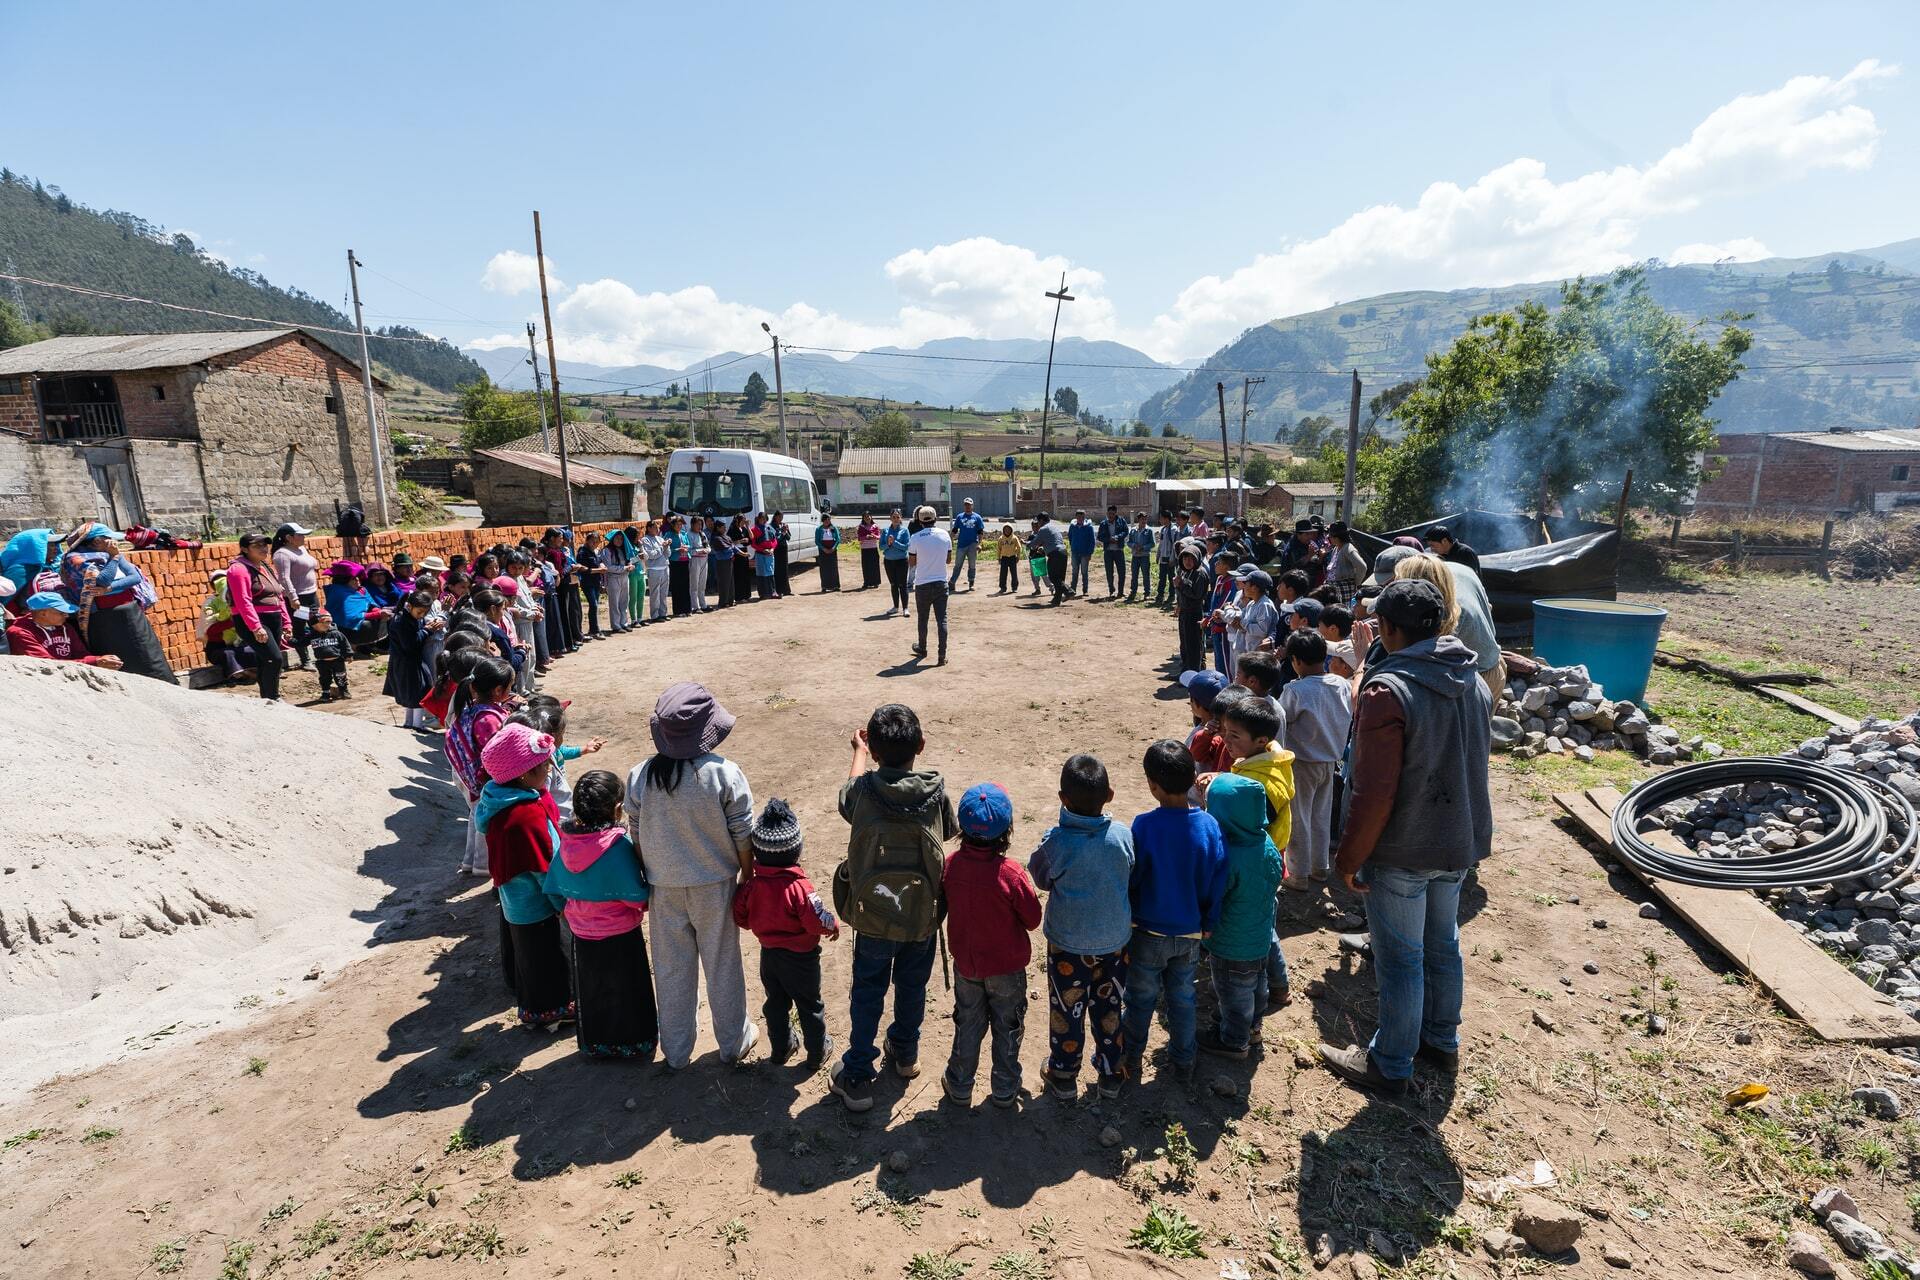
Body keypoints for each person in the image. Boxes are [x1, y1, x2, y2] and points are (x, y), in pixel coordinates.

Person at [1317, 578, 1492, 1096]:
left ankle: (1390, 1062)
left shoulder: (1386, 692)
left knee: (1401, 958)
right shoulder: (1474, 679)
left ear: (1387, 630)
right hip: (1457, 840)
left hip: (1403, 848)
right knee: (1443, 943)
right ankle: (1441, 1039)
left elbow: (1373, 792)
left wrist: (1349, 858)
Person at [828, 702, 958, 1112]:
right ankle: (905, 1055)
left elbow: (847, 795)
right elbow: (950, 833)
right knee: (913, 986)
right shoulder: (936, 793)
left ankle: (857, 1074)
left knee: (867, 991)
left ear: (877, 753)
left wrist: (859, 753)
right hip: (920, 917)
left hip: (872, 916)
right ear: (921, 745)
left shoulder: (863, 792)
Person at [626, 683, 758, 1070]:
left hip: (661, 887)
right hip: (714, 886)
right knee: (723, 964)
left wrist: (647, 876)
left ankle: (677, 1051)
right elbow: (743, 835)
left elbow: (636, 834)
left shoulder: (640, 775)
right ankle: (733, 1042)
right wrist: (746, 879)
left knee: (670, 968)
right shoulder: (724, 774)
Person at [1122, 740, 1228, 1085]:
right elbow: (1218, 878)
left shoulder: (1144, 826)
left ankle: (1131, 1060)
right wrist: (1209, 921)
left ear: (1152, 785)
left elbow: (1134, 877)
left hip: (1148, 933)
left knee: (1139, 999)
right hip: (1190, 934)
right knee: (1182, 1000)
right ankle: (1184, 1061)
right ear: (1193, 776)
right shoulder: (1210, 826)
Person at [1029, 753, 1133, 1101]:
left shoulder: (1057, 842)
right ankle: (1110, 1073)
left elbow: (1041, 878)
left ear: (1063, 800)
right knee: (1109, 1008)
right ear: (1111, 795)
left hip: (1068, 947)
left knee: (1066, 1009)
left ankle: (1063, 1074)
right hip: (1114, 944)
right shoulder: (1122, 836)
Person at [940, 782, 1041, 1109]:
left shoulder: (951, 865)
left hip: (967, 966)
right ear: (1006, 830)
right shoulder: (1010, 874)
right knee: (1008, 1026)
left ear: (961, 828)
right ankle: (1004, 1088)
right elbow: (1033, 919)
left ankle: (959, 1085)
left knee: (967, 1022)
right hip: (1007, 970)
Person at [546, 768, 657, 1059]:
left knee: (592, 990)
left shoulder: (566, 842)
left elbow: (555, 888)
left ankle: (597, 1045)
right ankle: (635, 1045)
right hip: (621, 935)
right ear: (618, 808)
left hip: (581, 934)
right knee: (628, 989)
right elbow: (639, 895)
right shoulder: (618, 847)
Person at [477, 722, 575, 1030]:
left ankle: (534, 1008)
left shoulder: (495, 801)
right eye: (544, 766)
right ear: (523, 774)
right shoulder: (527, 816)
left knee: (528, 958)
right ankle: (551, 1013)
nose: (548, 771)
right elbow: (544, 867)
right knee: (547, 960)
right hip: (537, 904)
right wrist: (562, 904)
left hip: (512, 900)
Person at [733, 797, 840, 1070]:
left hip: (769, 956)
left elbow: (740, 917)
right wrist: (832, 925)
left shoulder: (752, 887)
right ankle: (817, 1052)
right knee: (809, 1005)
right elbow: (816, 920)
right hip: (802, 960)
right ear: (797, 850)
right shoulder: (799, 887)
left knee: (776, 1004)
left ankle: (781, 1049)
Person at [1198, 773, 1286, 1059]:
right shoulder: (1269, 846)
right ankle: (1253, 1027)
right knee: (1256, 988)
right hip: (1260, 939)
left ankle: (1234, 1040)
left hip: (1230, 945)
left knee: (1232, 993)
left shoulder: (1227, 856)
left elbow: (1214, 896)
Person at [1280, 629, 1354, 888]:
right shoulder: (1342, 685)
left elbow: (1282, 720)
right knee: (1320, 816)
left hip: (1302, 762)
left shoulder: (1296, 690)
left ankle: (1299, 873)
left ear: (1296, 661)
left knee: (1299, 816)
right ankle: (1319, 867)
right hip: (1330, 762)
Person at [60, 524, 175, 682]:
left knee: (146, 652)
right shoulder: (76, 558)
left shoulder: (109, 553)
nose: (113, 542)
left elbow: (134, 577)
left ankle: (164, 683)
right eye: (108, 538)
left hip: (130, 612)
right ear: (95, 542)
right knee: (120, 655)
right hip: (104, 617)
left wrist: (110, 588)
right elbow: (101, 580)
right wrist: (113, 558)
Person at [448, 656, 516, 876]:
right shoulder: (489, 719)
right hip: (484, 779)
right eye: (510, 687)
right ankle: (483, 866)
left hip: (467, 776)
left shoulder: (473, 708)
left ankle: (470, 861)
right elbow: (496, 753)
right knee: (486, 820)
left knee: (475, 815)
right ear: (498, 690)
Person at [226, 533, 294, 702]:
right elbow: (243, 600)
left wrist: (286, 622)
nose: (264, 549)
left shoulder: (264, 566)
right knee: (274, 658)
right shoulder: (238, 569)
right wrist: (255, 626)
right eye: (257, 546)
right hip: (254, 620)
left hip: (273, 618)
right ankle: (273, 697)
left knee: (266, 659)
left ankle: (267, 699)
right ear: (244, 549)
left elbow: (279, 595)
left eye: (265, 545)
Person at [5, 591, 122, 667]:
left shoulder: (65, 627)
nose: (66, 615)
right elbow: (46, 665)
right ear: (43, 613)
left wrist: (100, 660)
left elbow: (81, 654)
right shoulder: (19, 633)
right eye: (61, 612)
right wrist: (95, 662)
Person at [384, 588, 443, 728]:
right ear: (409, 606)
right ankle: (417, 725)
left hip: (411, 662)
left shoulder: (410, 618)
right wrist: (427, 630)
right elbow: (411, 644)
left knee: (413, 692)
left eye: (425, 613)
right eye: (419, 612)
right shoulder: (401, 621)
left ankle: (410, 723)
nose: (421, 616)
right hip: (406, 663)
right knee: (418, 693)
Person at [271, 522, 320, 669]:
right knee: (300, 626)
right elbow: (284, 578)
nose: (304, 537)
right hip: (298, 598)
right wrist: (293, 597)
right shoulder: (282, 554)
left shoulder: (302, 549)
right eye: (300, 535)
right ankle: (305, 660)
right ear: (289, 537)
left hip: (311, 594)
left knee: (317, 623)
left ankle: (321, 653)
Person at [907, 504, 951, 665]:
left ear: (919, 521)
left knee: (923, 619)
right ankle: (942, 655)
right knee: (942, 620)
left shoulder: (915, 538)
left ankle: (923, 647)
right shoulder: (944, 535)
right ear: (935, 519)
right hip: (940, 582)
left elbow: (912, 563)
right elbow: (948, 560)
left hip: (923, 583)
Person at [1180, 669, 1236, 777]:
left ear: (1197, 704)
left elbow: (1195, 757)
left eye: (1190, 698)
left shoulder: (1212, 736)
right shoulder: (1231, 734)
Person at [1224, 566, 1280, 670]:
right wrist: (1239, 621)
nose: (1244, 587)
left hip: (1260, 655)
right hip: (1250, 652)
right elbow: (1241, 618)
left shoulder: (1265, 605)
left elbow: (1262, 630)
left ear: (1255, 588)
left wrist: (1242, 623)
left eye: (1246, 584)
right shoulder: (1252, 603)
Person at [1173, 541, 1209, 673]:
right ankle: (1185, 672)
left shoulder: (1200, 573)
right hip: (1184, 612)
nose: (1187, 561)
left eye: (1191, 558)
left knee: (1193, 645)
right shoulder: (1185, 572)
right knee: (1185, 645)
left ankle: (1193, 674)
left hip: (1194, 614)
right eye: (1185, 558)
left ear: (1197, 558)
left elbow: (1196, 595)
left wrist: (1180, 585)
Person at [1027, 513, 1068, 606]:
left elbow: (1035, 543)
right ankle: (1057, 599)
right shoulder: (1054, 527)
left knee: (1053, 577)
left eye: (1038, 521)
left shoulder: (1043, 529)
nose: (1038, 524)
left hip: (1055, 554)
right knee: (1060, 578)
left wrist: (1027, 543)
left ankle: (1068, 591)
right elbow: (1051, 541)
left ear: (1041, 520)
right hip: (1063, 552)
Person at [309, 610, 349, 701]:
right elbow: (301, 642)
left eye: (329, 622)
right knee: (324, 678)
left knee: (341, 676)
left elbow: (345, 644)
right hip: (322, 662)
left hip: (337, 660)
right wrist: (291, 641)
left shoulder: (336, 633)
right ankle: (325, 693)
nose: (329, 625)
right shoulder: (312, 635)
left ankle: (344, 691)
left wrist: (349, 654)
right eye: (326, 623)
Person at [601, 527, 634, 633]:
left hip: (624, 577)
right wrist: (624, 568)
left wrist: (630, 566)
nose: (619, 541)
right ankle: (616, 625)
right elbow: (608, 567)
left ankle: (624, 623)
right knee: (614, 603)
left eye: (621, 539)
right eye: (617, 538)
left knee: (624, 601)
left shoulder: (623, 550)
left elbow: (628, 561)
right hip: (613, 578)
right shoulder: (607, 550)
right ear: (612, 539)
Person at [949, 498, 986, 592]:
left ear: (972, 506)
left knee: (972, 565)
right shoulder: (960, 517)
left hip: (973, 544)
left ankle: (971, 583)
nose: (967, 506)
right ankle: (952, 582)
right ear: (964, 506)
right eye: (966, 505)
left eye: (969, 504)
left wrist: (980, 544)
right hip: (961, 544)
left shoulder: (977, 517)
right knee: (958, 565)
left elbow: (980, 532)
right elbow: (955, 530)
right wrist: (950, 540)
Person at [880, 509, 912, 617]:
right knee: (893, 585)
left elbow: (906, 547)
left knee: (902, 585)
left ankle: (905, 608)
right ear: (890, 518)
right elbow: (881, 547)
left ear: (901, 518)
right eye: (893, 517)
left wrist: (894, 542)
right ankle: (895, 607)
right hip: (889, 561)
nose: (895, 519)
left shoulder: (904, 531)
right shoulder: (885, 531)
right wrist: (888, 544)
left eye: (897, 517)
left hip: (901, 561)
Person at [1279, 519, 1326, 586]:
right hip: (1294, 585)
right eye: (1307, 534)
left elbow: (1315, 564)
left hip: (1309, 584)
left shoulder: (1309, 544)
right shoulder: (1292, 547)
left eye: (1310, 533)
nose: (1310, 536)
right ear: (1298, 534)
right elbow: (1295, 567)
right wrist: (1309, 555)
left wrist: (1321, 556)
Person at [1327, 524, 1367, 602]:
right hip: (1334, 589)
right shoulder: (1336, 548)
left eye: (1330, 537)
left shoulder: (1348, 548)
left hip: (1344, 591)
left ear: (1337, 538)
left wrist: (1355, 583)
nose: (1329, 539)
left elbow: (1362, 567)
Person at [640, 521, 671, 623]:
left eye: (657, 527)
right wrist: (662, 547)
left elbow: (668, 554)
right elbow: (652, 555)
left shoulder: (660, 538)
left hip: (664, 567)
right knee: (655, 593)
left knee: (664, 593)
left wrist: (667, 546)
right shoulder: (645, 540)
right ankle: (655, 615)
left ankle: (663, 613)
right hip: (654, 569)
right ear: (649, 528)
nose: (657, 529)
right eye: (655, 527)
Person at [1098, 505, 1130, 599]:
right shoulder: (1103, 523)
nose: (1110, 515)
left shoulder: (1121, 521)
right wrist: (1108, 539)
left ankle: (1121, 592)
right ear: (1107, 513)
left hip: (1119, 550)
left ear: (1116, 513)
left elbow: (1125, 531)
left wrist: (1117, 537)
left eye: (1112, 514)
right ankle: (1111, 590)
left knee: (1122, 572)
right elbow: (1099, 536)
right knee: (1109, 572)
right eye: (1109, 514)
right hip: (1108, 551)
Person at [665, 514, 693, 617]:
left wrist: (686, 547)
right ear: (673, 525)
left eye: (681, 524)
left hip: (685, 561)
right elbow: (666, 550)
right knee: (677, 586)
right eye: (677, 524)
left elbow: (689, 545)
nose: (679, 526)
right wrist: (677, 550)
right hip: (675, 562)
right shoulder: (668, 535)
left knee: (686, 585)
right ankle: (678, 610)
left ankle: (687, 609)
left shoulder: (684, 534)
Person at [750, 513, 780, 602]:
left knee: (770, 572)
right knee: (761, 573)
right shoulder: (754, 529)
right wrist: (762, 550)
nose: (763, 520)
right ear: (758, 519)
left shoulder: (770, 528)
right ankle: (763, 594)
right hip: (760, 554)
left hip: (770, 554)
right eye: (762, 519)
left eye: (765, 519)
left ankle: (773, 592)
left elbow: (774, 541)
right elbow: (753, 544)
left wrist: (772, 549)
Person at [1126, 512, 1155, 601]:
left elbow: (1153, 543)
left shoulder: (1149, 530)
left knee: (1146, 575)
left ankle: (1147, 593)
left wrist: (1143, 547)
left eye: (1145, 519)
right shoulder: (1133, 530)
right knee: (1134, 575)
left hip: (1144, 556)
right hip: (1135, 556)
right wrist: (1134, 545)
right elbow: (1128, 542)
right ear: (1138, 520)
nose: (1144, 521)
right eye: (1142, 519)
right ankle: (1133, 592)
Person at [1066, 510, 1096, 597]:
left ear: (1084, 517)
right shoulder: (1072, 527)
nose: (1080, 519)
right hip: (1075, 552)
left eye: (1082, 517)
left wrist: (1090, 553)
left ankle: (1085, 590)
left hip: (1085, 553)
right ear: (1076, 517)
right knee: (1074, 572)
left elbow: (1092, 541)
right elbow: (1070, 537)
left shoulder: (1089, 527)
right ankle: (1073, 589)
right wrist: (1073, 547)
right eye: (1078, 517)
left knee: (1084, 572)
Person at [708, 517, 735, 608]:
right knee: (723, 582)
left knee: (730, 581)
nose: (725, 528)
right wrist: (732, 548)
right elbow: (727, 549)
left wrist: (738, 551)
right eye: (723, 527)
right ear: (718, 528)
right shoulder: (716, 537)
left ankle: (730, 600)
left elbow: (732, 546)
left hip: (729, 561)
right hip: (722, 562)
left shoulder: (726, 536)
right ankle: (723, 602)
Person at [1154, 511, 1180, 608]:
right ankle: (1160, 595)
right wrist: (1158, 555)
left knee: (1171, 578)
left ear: (1166, 518)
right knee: (1162, 578)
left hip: (1170, 559)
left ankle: (1171, 595)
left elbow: (1175, 545)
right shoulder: (1163, 529)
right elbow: (1160, 544)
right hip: (1163, 558)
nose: (1160, 520)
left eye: (1161, 518)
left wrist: (1172, 559)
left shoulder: (1173, 530)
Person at [688, 515, 711, 614]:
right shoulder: (689, 534)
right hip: (695, 560)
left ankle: (703, 604)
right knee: (694, 584)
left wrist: (707, 550)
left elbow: (708, 546)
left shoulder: (702, 534)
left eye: (701, 524)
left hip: (704, 560)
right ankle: (695, 606)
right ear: (692, 525)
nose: (699, 526)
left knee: (702, 584)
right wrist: (699, 551)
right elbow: (689, 550)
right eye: (697, 524)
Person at [815, 515, 842, 592]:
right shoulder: (818, 529)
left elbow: (838, 539)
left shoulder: (834, 528)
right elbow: (817, 541)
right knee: (824, 568)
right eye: (826, 520)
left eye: (829, 520)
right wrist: (824, 549)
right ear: (823, 520)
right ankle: (824, 586)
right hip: (823, 551)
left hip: (832, 550)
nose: (827, 521)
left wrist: (833, 548)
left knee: (833, 568)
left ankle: (835, 586)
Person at [994, 524, 1023, 595]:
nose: (1007, 531)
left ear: (1011, 530)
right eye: (1005, 529)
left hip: (1012, 558)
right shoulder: (1001, 538)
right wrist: (998, 558)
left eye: (1008, 529)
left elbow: (1019, 547)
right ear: (1003, 530)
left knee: (1014, 573)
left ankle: (1014, 587)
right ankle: (1003, 587)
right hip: (1004, 558)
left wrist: (1018, 556)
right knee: (1003, 573)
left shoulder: (1014, 538)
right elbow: (998, 549)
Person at [857, 513, 882, 590]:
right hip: (865, 549)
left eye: (868, 516)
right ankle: (866, 582)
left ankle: (876, 582)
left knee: (875, 566)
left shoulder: (875, 526)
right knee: (866, 566)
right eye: (865, 517)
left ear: (871, 517)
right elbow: (859, 538)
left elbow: (879, 536)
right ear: (863, 518)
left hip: (873, 548)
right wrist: (866, 537)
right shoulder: (861, 527)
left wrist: (874, 536)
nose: (867, 518)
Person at [771, 511, 793, 598]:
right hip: (777, 549)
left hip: (784, 548)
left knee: (784, 569)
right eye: (779, 517)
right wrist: (782, 533)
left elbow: (789, 538)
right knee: (777, 570)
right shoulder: (772, 526)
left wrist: (786, 530)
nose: (781, 519)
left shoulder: (783, 525)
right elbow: (776, 540)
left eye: (782, 517)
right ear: (775, 517)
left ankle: (786, 590)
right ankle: (779, 590)